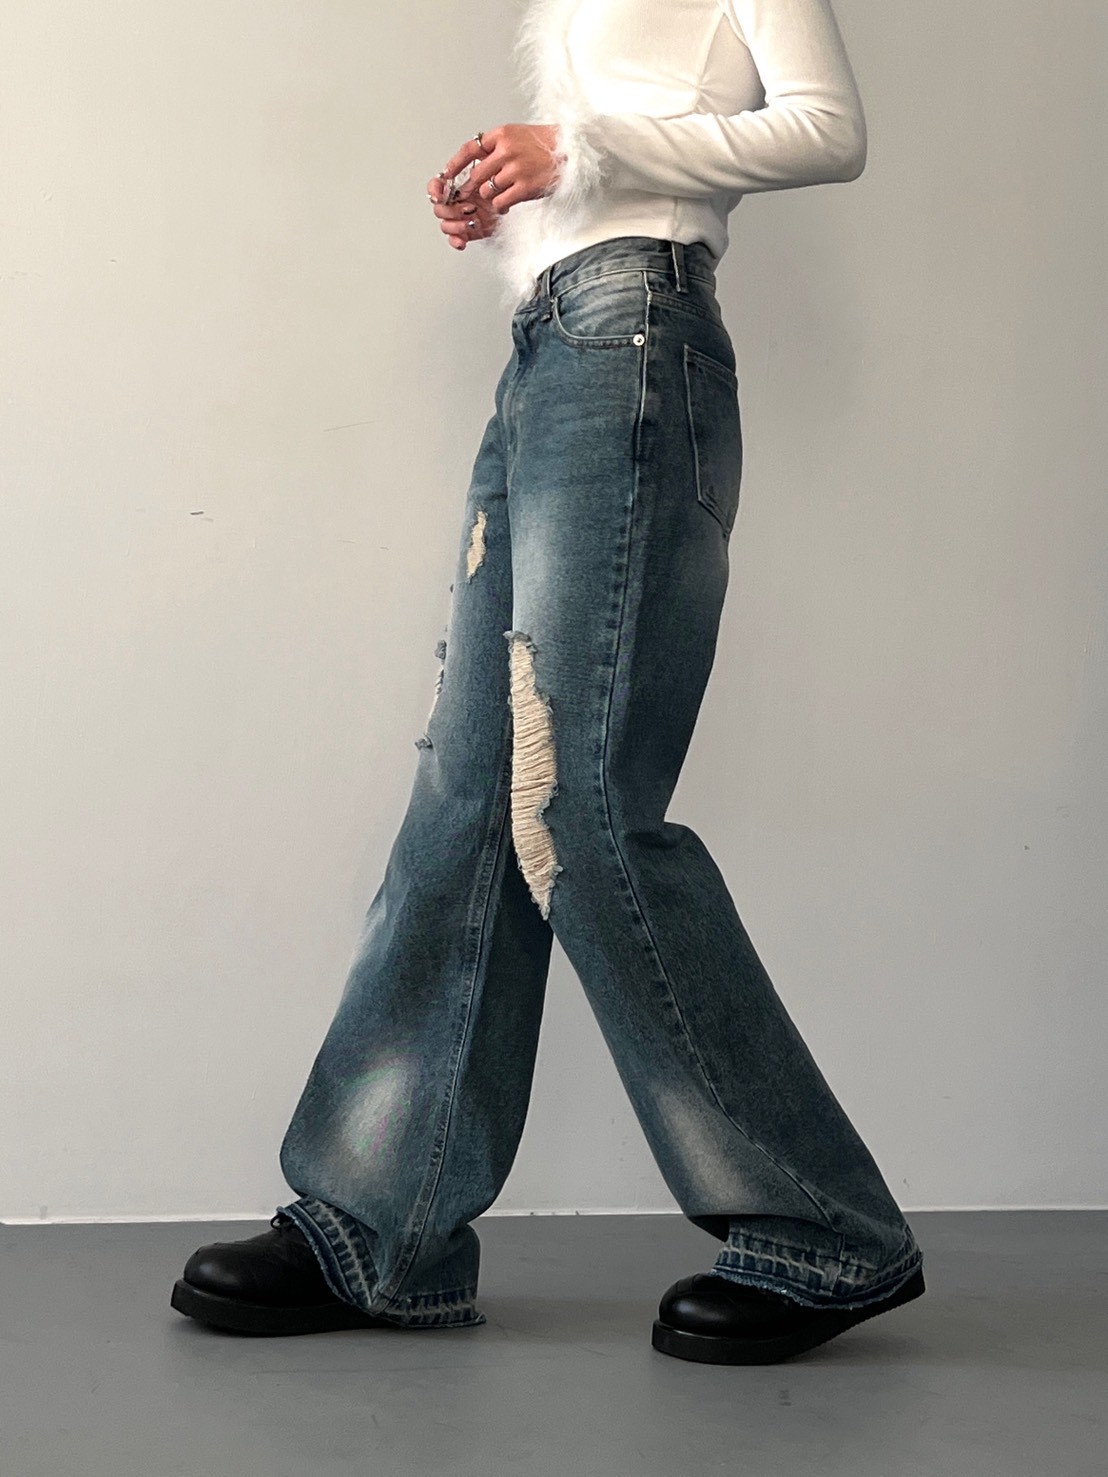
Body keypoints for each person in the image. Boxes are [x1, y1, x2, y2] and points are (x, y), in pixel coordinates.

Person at [171, 0, 925, 1365]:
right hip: (550, 348)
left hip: (637, 341)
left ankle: (828, 1230)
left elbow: (828, 129)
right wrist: (519, 200)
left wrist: (578, 150)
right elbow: (607, 151)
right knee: (469, 799)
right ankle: (380, 1229)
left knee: (580, 807)